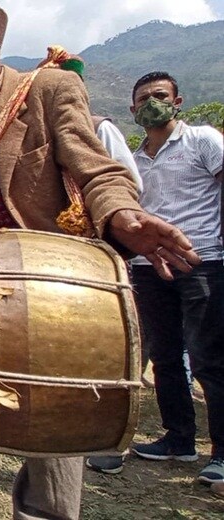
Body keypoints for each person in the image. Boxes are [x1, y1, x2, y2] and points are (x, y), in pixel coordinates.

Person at [0, 4, 200, 519]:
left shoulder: (49, 90)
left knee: (51, 399)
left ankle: (46, 511)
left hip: (48, 277)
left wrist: (124, 216)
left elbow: (98, 171)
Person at [89, 72, 224, 484]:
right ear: (132, 111)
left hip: (203, 260)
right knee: (164, 357)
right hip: (150, 267)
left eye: (160, 96)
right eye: (143, 98)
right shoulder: (134, 157)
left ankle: (221, 452)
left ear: (177, 100)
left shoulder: (203, 140)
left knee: (209, 358)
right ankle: (178, 438)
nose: (152, 103)